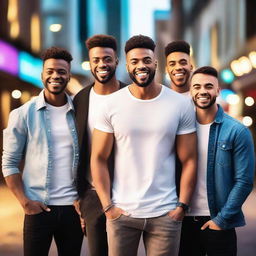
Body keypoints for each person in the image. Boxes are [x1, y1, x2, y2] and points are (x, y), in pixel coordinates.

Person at [90, 34, 197, 256]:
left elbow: (189, 159)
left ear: (156, 63)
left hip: (165, 214)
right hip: (122, 214)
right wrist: (108, 207)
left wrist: (181, 207)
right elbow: (98, 158)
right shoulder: (111, 104)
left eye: (147, 60)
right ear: (126, 65)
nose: (141, 66)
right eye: (135, 61)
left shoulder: (179, 104)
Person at [2, 47, 83, 256]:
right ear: (42, 75)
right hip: (38, 208)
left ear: (68, 76)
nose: (55, 76)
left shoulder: (81, 113)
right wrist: (25, 202)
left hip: (72, 209)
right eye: (50, 71)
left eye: (61, 72)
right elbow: (9, 162)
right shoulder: (22, 114)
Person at [179, 66, 255, 256]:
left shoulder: (237, 131)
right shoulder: (179, 128)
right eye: (196, 86)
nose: (202, 91)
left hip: (219, 222)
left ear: (217, 91)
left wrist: (221, 220)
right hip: (183, 221)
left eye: (208, 86)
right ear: (191, 91)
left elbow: (244, 181)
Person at [73, 34, 126, 256]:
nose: (101, 64)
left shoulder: (131, 96)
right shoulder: (80, 100)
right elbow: (74, 148)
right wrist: (78, 195)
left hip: (127, 192)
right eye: (96, 60)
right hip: (92, 195)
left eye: (107, 58)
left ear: (116, 61)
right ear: (90, 62)